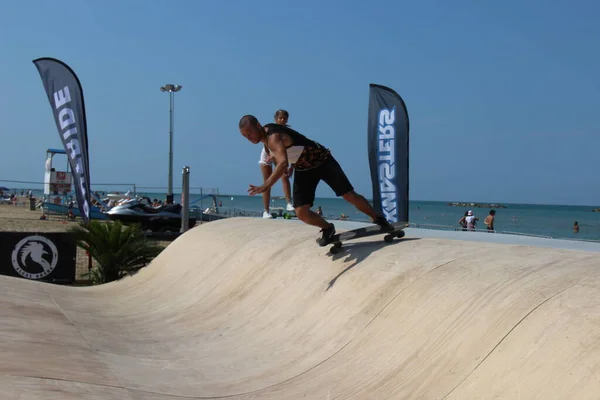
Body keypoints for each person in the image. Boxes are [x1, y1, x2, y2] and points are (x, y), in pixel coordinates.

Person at [239, 114, 394, 245]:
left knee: (348, 195)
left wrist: (266, 185)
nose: (248, 138)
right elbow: (285, 157)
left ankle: (378, 218)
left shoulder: (273, 137)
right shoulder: (265, 143)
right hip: (304, 168)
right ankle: (327, 228)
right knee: (301, 212)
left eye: (250, 133)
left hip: (323, 161)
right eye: (245, 136)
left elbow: (283, 162)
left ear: (258, 125)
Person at [259, 109, 294, 218]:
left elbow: (293, 149)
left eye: (284, 118)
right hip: (268, 155)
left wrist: (292, 166)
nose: (282, 120)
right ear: (276, 119)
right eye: (280, 118)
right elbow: (266, 143)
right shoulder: (271, 129)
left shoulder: (289, 132)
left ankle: (289, 203)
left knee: (285, 176)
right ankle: (266, 210)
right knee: (267, 182)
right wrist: (271, 156)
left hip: (280, 155)